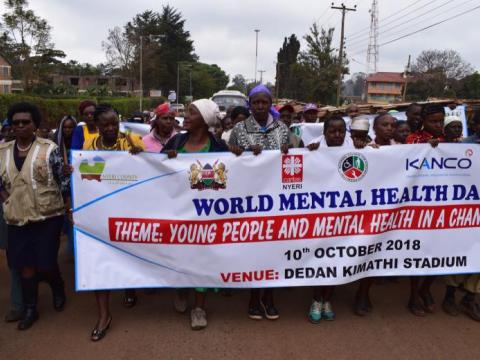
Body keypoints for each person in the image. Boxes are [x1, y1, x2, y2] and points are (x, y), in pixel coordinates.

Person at [0, 102, 70, 330]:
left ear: (34, 125)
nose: (20, 126)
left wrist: (68, 209)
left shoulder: (49, 149)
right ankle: (31, 309)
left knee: (47, 262)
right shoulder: (2, 152)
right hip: (17, 218)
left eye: (25, 122)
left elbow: (63, 181)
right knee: (25, 265)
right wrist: (5, 198)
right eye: (16, 122)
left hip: (47, 216)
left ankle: (57, 286)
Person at [163, 99, 229, 330]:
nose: (186, 116)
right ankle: (180, 288)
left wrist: (244, 156)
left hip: (206, 217)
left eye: (191, 112)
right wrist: (159, 158)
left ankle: (199, 308)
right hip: (177, 214)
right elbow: (153, 171)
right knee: (179, 256)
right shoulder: (176, 141)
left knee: (202, 259)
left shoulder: (220, 148)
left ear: (205, 119)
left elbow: (235, 177)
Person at [81, 104, 144, 341]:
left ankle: (129, 287)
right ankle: (104, 315)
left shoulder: (131, 140)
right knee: (99, 258)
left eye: (114, 123)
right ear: (96, 126)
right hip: (102, 210)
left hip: (131, 208)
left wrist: (142, 155)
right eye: (105, 124)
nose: (110, 128)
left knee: (127, 252)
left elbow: (151, 169)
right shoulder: (90, 146)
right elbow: (89, 177)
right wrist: (76, 171)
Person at [229, 84, 289, 321]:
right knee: (255, 248)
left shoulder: (282, 128)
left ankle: (269, 297)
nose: (261, 106)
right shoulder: (239, 128)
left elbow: (295, 154)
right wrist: (237, 150)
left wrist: (290, 149)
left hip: (277, 197)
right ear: (250, 105)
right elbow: (230, 155)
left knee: (274, 247)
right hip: (250, 198)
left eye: (265, 102)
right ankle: (254, 297)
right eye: (256, 103)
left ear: (270, 103)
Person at [306, 115, 356, 322]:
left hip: (344, 215)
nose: (337, 135)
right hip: (319, 215)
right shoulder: (312, 148)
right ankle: (316, 299)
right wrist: (309, 155)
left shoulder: (353, 147)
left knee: (337, 258)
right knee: (321, 259)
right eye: (332, 131)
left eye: (341, 131)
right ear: (324, 132)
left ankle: (328, 299)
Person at [405, 104, 445, 316]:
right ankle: (413, 295)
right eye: (433, 121)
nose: (438, 125)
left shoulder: (451, 142)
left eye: (441, 121)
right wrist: (427, 148)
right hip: (418, 204)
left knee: (440, 252)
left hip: (442, 205)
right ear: (424, 122)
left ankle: (425, 289)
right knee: (418, 252)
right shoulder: (414, 139)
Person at [441, 113, 480, 321]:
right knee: (460, 251)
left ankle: (471, 298)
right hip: (465, 209)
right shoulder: (465, 147)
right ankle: (449, 295)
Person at [54, 115, 77, 256]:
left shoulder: (80, 142)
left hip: (77, 185)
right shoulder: (55, 143)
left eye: (71, 127)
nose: (68, 130)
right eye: (66, 127)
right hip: (61, 187)